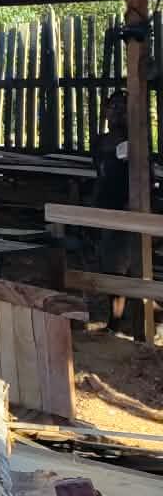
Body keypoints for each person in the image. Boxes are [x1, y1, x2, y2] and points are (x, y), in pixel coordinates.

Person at [92, 91, 139, 334]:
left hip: (125, 210)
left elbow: (141, 178)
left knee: (122, 268)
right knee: (110, 266)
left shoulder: (135, 142)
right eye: (113, 107)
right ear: (106, 111)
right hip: (105, 209)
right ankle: (116, 320)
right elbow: (100, 176)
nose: (116, 112)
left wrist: (130, 208)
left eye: (122, 108)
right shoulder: (100, 142)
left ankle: (117, 323)